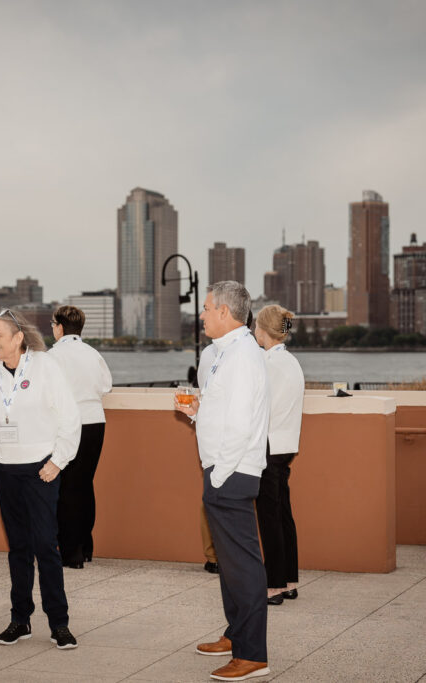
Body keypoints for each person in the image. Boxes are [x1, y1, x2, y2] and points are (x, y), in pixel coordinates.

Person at [0, 309, 82, 650]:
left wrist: (57, 462)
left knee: (46, 546)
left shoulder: (46, 367)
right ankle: (20, 620)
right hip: (4, 471)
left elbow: (70, 419)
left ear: (18, 338)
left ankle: (59, 624)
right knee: (18, 548)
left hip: (41, 471)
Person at [175, 281, 270, 682]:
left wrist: (219, 473)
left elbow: (242, 424)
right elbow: (223, 413)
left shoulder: (243, 357)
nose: (201, 314)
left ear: (226, 313)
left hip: (230, 471)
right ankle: (235, 635)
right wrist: (198, 411)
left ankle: (252, 656)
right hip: (221, 468)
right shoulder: (223, 354)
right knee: (230, 564)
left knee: (242, 564)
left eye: (207, 308)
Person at [48, 305, 112, 568]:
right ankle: (86, 546)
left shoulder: (52, 356)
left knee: (66, 488)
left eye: (53, 324)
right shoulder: (93, 353)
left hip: (68, 425)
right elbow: (105, 386)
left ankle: (70, 552)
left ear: (60, 327)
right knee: (85, 484)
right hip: (95, 422)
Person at [253, 305, 304, 605]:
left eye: (257, 326)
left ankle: (273, 585)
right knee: (283, 513)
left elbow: (258, 406)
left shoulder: (267, 365)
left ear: (263, 330)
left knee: (269, 517)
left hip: (269, 445)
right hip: (286, 444)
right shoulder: (291, 362)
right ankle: (289, 579)